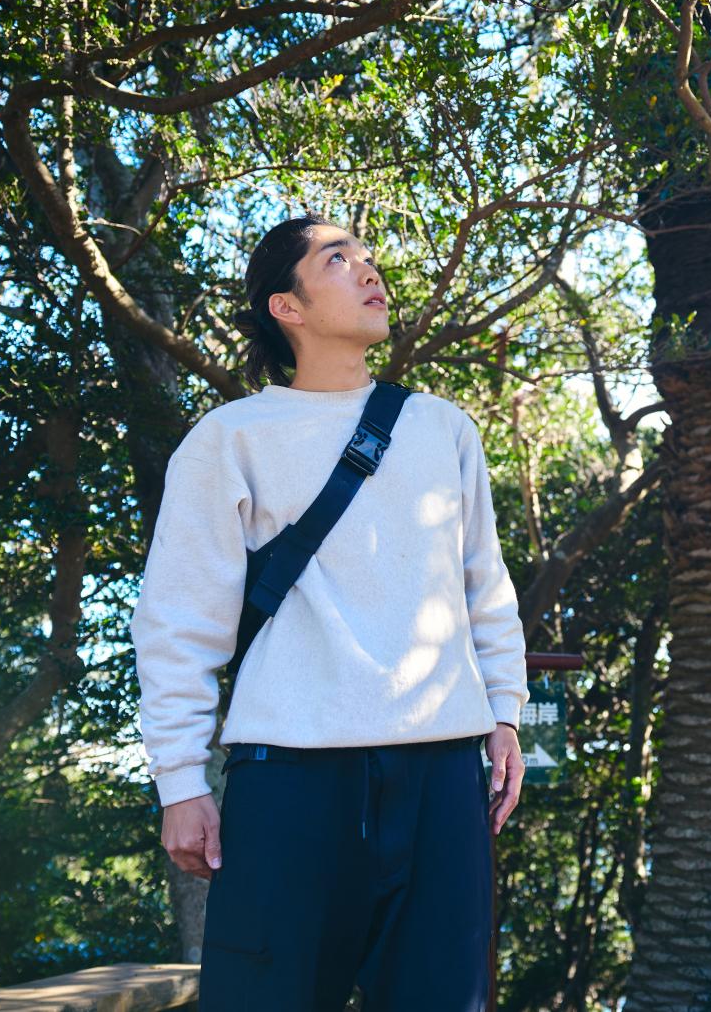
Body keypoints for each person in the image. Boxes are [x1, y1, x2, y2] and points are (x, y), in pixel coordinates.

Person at [130, 215, 528, 1011]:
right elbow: (178, 619)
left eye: (368, 256)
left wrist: (505, 712)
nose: (369, 270)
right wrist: (179, 779)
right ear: (288, 306)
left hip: (441, 770)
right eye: (337, 258)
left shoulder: (442, 427)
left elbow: (484, 583)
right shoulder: (228, 438)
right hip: (290, 777)